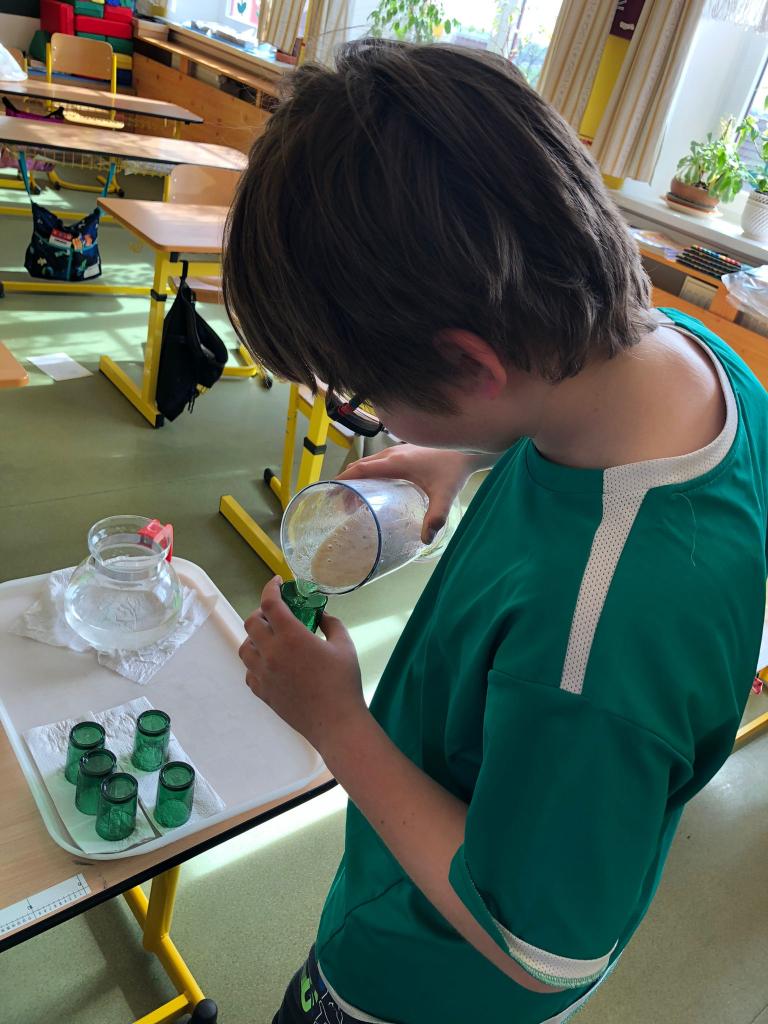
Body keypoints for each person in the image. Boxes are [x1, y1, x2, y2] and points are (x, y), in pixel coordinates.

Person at [222, 38, 768, 1024]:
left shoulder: (604, 632)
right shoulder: (690, 360)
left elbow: (539, 946)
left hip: (429, 983)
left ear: (474, 367)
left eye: (358, 396)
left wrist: (336, 721)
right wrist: (464, 451)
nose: (366, 417)